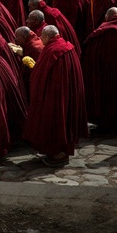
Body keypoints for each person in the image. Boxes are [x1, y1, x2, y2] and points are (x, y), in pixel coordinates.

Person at [22, 26, 89, 167]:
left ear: (48, 36)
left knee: (55, 121)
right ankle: (61, 152)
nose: (40, 39)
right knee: (65, 120)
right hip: (67, 91)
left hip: (56, 94)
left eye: (42, 37)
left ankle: (58, 154)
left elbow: (41, 74)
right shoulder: (66, 46)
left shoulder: (53, 51)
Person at [80, 7, 117, 133]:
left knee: (102, 97)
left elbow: (88, 53)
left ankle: (103, 124)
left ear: (107, 17)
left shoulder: (99, 34)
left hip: (101, 76)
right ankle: (116, 124)